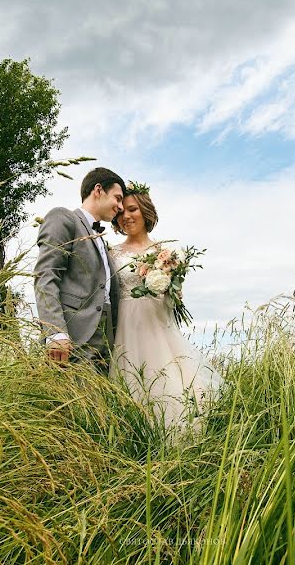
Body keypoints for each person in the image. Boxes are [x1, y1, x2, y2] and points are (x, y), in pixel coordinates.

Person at [109, 183, 220, 427]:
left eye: (132, 209)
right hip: (124, 328)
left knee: (168, 383)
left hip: (158, 327)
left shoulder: (167, 253)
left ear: (145, 211)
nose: (126, 216)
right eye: (121, 212)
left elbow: (174, 296)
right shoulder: (111, 253)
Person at [33, 167, 125, 375]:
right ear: (98, 190)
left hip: (105, 346)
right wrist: (55, 332)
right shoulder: (64, 218)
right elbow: (46, 275)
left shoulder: (101, 239)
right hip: (73, 342)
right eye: (117, 198)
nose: (120, 207)